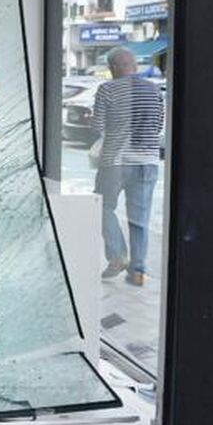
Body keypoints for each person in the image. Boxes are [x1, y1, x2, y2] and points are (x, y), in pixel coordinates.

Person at [93, 46, 166, 286]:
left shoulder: (107, 89)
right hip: (147, 162)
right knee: (140, 219)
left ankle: (116, 256)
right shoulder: (155, 90)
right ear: (134, 66)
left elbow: (98, 127)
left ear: (113, 68)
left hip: (116, 161)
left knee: (102, 206)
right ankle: (137, 272)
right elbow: (158, 126)